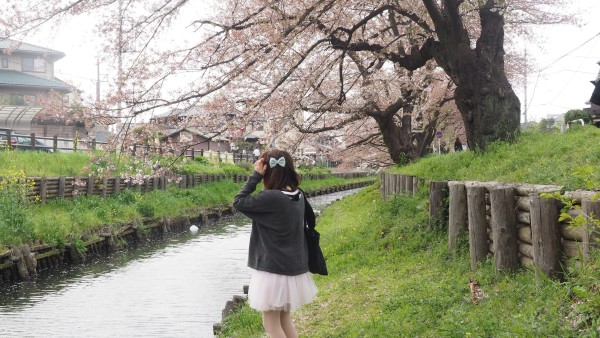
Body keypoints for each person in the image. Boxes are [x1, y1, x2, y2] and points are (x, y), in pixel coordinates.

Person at [233, 149, 317, 338]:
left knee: (270, 324)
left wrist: (255, 176)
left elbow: (238, 202)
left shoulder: (271, 198)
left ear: (267, 171)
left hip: (273, 271)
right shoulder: (298, 194)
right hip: (293, 269)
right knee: (284, 321)